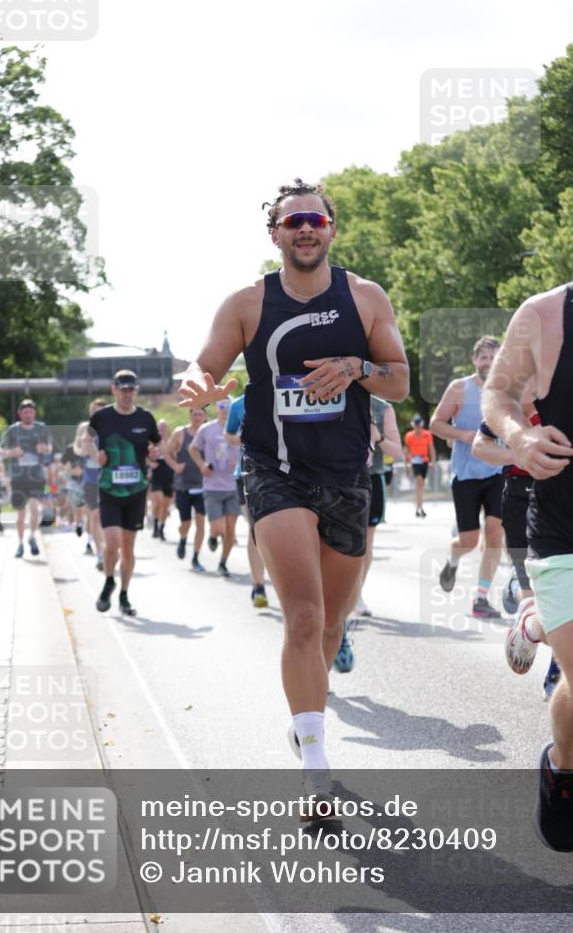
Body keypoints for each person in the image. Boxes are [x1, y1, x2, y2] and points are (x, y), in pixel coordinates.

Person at [178, 178, 409, 797]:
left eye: (315, 219)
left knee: (332, 626)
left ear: (331, 229)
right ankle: (315, 764)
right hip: (275, 472)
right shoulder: (247, 304)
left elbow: (399, 382)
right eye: (292, 221)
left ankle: (308, 724)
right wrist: (202, 387)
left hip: (346, 476)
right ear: (274, 234)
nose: (304, 228)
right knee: (302, 616)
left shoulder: (364, 297)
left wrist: (359, 368)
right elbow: (203, 365)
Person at [482, 173, 573, 876]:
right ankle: (559, 765)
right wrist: (518, 437)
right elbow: (498, 394)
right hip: (569, 536)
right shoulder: (546, 314)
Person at [472, 408, 561, 700]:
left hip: (566, 496)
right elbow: (480, 445)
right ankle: (522, 597)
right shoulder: (512, 395)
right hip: (520, 496)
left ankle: (558, 666)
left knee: (561, 585)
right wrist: (518, 455)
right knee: (534, 594)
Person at [430, 336, 504, 618]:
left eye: (493, 357)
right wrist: (462, 435)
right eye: (483, 357)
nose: (488, 362)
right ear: (474, 360)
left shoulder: (507, 390)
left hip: (498, 471)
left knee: (495, 531)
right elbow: (436, 423)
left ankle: (481, 598)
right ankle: (453, 559)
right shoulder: (459, 388)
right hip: (467, 474)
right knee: (469, 540)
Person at [335, 397, 403, 669]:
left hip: (369, 479)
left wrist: (376, 438)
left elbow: (396, 451)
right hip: (335, 477)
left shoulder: (382, 407)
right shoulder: (333, 394)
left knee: (363, 544)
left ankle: (356, 593)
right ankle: (341, 603)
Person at [87, 371, 161, 616]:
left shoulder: (146, 417)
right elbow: (86, 443)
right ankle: (109, 580)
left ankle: (124, 595)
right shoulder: (101, 417)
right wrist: (95, 455)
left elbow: (155, 445)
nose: (127, 394)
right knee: (112, 544)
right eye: (123, 389)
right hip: (109, 488)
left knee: (128, 548)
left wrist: (153, 454)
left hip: (136, 490)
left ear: (136, 391)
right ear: (114, 390)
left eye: (131, 390)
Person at [224, 393, 269, 606]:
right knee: (256, 530)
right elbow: (229, 434)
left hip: (286, 474)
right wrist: (246, 437)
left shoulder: (286, 392)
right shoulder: (238, 404)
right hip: (248, 474)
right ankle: (259, 585)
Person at [189, 398, 240, 576]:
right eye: (221, 405)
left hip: (233, 486)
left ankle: (223, 563)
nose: (225, 409)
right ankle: (212, 537)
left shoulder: (240, 429)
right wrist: (202, 465)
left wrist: (240, 464)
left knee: (231, 530)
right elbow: (193, 449)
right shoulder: (206, 429)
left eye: (228, 406)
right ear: (217, 408)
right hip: (212, 487)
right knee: (218, 529)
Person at [0, 400, 52, 557]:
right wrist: (11, 452)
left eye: (31, 412)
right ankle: (21, 543)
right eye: (25, 412)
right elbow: (0, 450)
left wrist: (44, 449)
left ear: (34, 413)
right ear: (19, 413)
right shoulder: (13, 430)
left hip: (36, 476)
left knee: (35, 508)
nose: (28, 414)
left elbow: (50, 447)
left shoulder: (41, 428)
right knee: (21, 515)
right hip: (18, 477)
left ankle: (32, 537)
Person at [166, 408, 207, 572]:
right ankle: (183, 538)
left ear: (205, 417)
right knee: (186, 523)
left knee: (201, 523)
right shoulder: (180, 433)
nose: (197, 417)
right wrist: (175, 466)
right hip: (183, 484)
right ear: (190, 415)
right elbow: (167, 452)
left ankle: (196, 557)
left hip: (203, 485)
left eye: (201, 414)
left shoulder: (208, 432)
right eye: (195, 414)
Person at [74, 398, 107, 569]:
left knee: (106, 517)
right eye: (94, 411)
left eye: (100, 411)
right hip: (91, 479)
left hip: (109, 479)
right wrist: (84, 452)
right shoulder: (86, 430)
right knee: (94, 515)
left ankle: (107, 548)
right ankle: (100, 554)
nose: (97, 414)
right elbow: (79, 448)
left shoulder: (112, 427)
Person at [403, 416, 435, 517]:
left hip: (424, 460)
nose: (417, 428)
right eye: (416, 426)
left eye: (419, 426)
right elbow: (406, 451)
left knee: (421, 485)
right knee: (419, 480)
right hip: (415, 461)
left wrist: (433, 462)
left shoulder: (427, 434)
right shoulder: (409, 436)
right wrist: (406, 466)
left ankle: (419, 507)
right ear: (413, 426)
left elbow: (431, 449)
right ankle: (419, 507)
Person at [150, 419, 174, 540]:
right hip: (156, 474)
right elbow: (144, 456)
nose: (162, 429)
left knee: (165, 505)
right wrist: (150, 463)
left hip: (169, 474)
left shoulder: (171, 442)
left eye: (164, 427)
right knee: (158, 502)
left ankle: (161, 528)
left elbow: (177, 456)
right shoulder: (151, 442)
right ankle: (155, 524)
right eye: (160, 427)